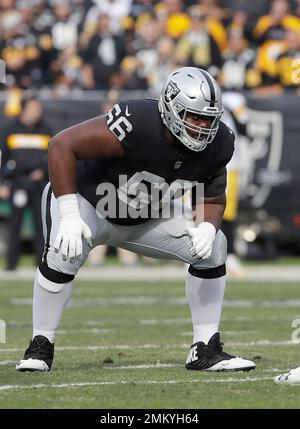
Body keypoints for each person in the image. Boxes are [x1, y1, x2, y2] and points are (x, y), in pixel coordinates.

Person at [16, 67, 255, 373]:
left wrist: (208, 228)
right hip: (89, 204)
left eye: (209, 118)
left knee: (215, 247)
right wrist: (70, 213)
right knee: (65, 251)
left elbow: (212, 196)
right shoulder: (139, 122)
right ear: (170, 108)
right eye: (194, 117)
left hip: (145, 218)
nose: (203, 127)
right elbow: (62, 145)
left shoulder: (219, 142)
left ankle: (204, 348)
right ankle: (40, 345)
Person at [0, 93, 53, 270]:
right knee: (15, 225)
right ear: (24, 109)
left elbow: (53, 157)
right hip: (18, 183)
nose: (37, 111)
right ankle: (11, 264)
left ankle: (42, 264)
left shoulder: (46, 130)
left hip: (39, 185)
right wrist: (3, 183)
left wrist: (43, 171)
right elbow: (3, 158)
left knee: (42, 225)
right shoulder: (10, 130)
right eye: (33, 108)